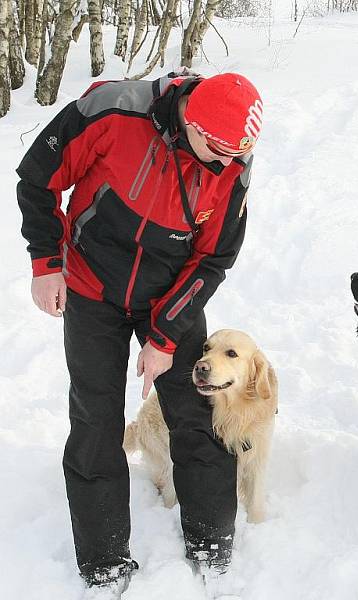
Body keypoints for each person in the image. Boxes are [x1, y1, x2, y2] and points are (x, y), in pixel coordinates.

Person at [16, 71, 263, 594]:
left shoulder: (232, 163)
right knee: (95, 421)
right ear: (190, 120)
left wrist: (166, 336)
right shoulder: (113, 111)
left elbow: (214, 259)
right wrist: (45, 263)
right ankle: (103, 563)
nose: (224, 164)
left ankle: (212, 543)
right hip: (90, 286)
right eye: (216, 150)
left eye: (236, 154)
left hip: (169, 293)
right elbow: (37, 178)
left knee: (198, 415)